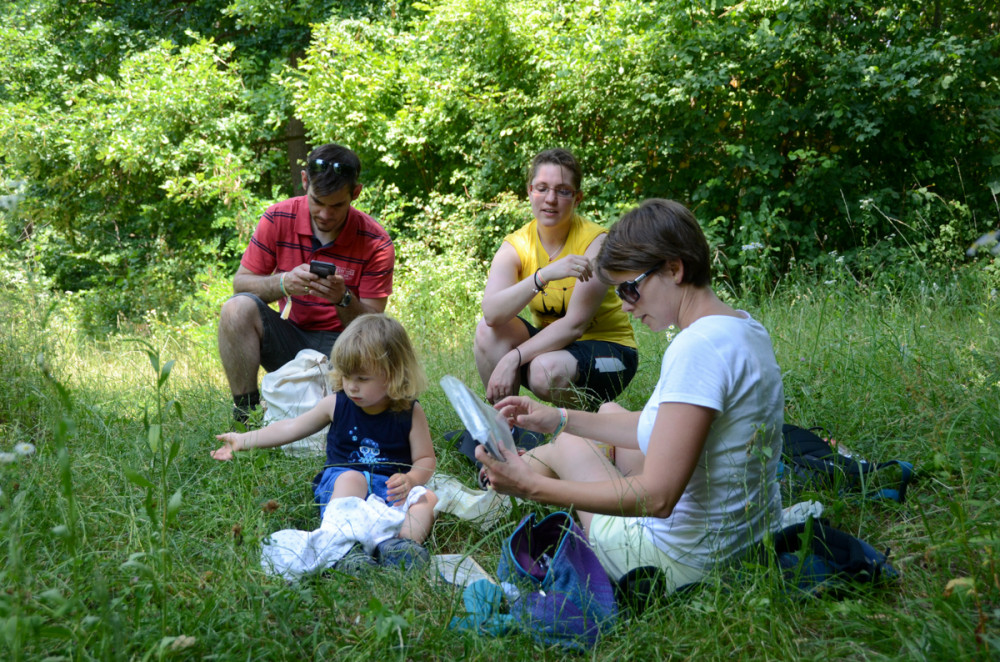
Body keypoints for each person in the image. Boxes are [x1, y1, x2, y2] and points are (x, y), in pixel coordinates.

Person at [477, 199, 785, 593]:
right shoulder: (742, 327)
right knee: (600, 416)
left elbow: (657, 498)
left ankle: (499, 486)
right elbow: (657, 426)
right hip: (746, 541)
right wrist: (557, 417)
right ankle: (507, 476)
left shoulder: (698, 347)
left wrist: (533, 488)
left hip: (672, 560)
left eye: (629, 288)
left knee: (570, 448)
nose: (623, 305)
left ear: (674, 268)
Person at [212, 313, 436, 570]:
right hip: (343, 489)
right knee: (353, 478)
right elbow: (292, 427)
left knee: (426, 498)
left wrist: (412, 480)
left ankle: (400, 546)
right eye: (347, 376)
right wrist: (244, 440)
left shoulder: (409, 412)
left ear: (394, 374)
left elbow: (425, 459)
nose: (351, 386)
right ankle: (343, 548)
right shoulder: (336, 404)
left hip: (390, 492)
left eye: (362, 379)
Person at [218, 143, 395, 423]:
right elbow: (241, 285)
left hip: (346, 348)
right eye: (317, 202)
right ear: (304, 182)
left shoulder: (376, 242)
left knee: (385, 356)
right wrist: (284, 282)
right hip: (292, 337)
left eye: (337, 205)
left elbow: (374, 326)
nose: (325, 214)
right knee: (235, 308)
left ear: (356, 193)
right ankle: (246, 415)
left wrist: (343, 299)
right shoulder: (278, 217)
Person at [474, 148, 638, 410]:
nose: (550, 199)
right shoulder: (516, 245)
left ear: (578, 198)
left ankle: (591, 430)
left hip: (612, 355)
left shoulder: (595, 243)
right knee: (487, 331)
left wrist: (513, 358)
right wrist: (543, 275)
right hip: (555, 350)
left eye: (562, 191)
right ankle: (507, 431)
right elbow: (492, 314)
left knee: (544, 370)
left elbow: (575, 326)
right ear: (529, 191)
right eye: (542, 188)